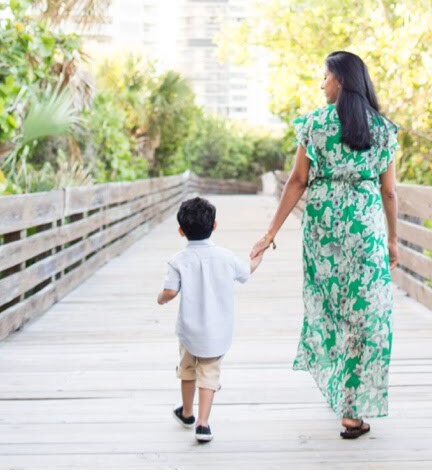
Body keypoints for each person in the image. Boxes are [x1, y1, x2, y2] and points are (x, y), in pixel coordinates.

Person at [251, 51, 401, 439]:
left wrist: (270, 234)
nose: (322, 84)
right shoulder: (383, 129)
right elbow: (389, 192)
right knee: (368, 314)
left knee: (332, 308)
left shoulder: (315, 125)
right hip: (366, 227)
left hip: (324, 229)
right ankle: (352, 406)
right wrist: (393, 240)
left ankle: (341, 392)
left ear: (340, 80)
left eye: (324, 77)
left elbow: (297, 181)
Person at [158, 195, 262, 444]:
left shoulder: (177, 260)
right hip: (217, 333)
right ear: (214, 226)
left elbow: (170, 291)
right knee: (209, 374)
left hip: (189, 331)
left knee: (187, 370)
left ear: (181, 231)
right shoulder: (225, 257)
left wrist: (161, 298)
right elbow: (247, 270)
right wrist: (259, 253)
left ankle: (186, 413)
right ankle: (203, 424)